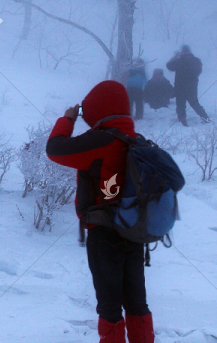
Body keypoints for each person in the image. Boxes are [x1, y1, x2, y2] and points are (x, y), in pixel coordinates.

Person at [45, 81, 155, 343]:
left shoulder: (102, 140)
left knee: (109, 306)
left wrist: (68, 119)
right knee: (137, 301)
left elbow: (55, 149)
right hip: (135, 231)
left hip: (105, 233)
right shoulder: (137, 141)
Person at [165, 45, 210, 126]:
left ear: (182, 52)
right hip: (192, 87)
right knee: (195, 104)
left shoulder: (179, 60)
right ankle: (206, 118)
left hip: (179, 87)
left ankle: (183, 122)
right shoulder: (196, 60)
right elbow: (199, 71)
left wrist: (175, 56)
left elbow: (168, 66)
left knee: (180, 105)